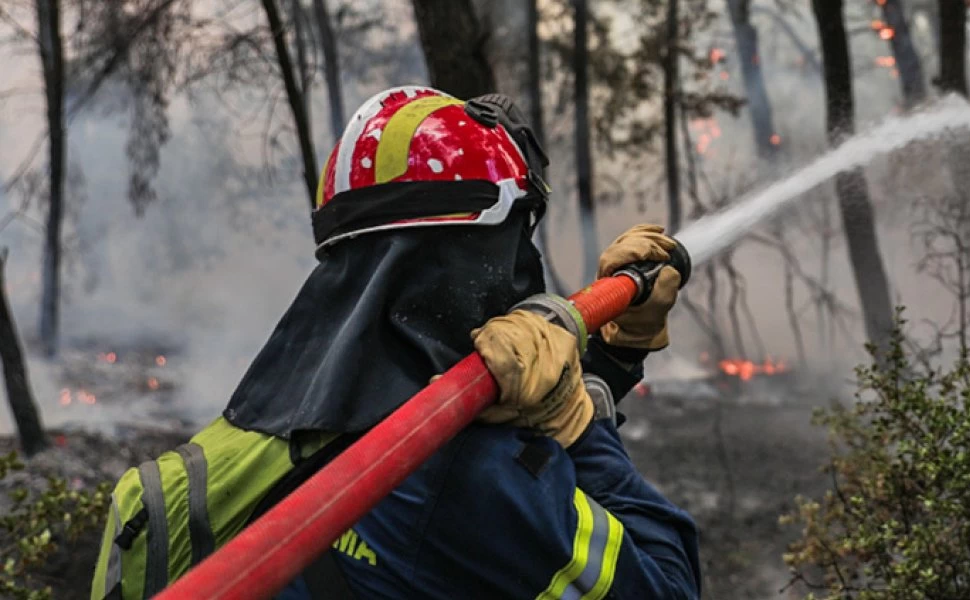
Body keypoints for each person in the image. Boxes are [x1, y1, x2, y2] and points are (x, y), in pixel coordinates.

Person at [90, 86, 699, 600]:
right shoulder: (472, 480)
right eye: (515, 249)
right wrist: (577, 422)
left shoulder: (241, 444)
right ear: (476, 258)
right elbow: (667, 584)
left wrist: (612, 359)